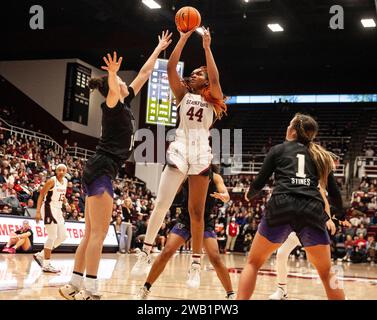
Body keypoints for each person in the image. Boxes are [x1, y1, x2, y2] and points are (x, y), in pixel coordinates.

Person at [59, 30, 172, 300]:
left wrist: (158, 50)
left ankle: (74, 285)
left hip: (98, 168)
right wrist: (111, 74)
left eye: (121, 81)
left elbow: (143, 74)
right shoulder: (112, 105)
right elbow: (112, 88)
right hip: (101, 169)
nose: (124, 82)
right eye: (121, 81)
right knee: (98, 233)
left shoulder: (125, 103)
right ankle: (91, 289)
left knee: (89, 234)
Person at [131, 27, 227, 290]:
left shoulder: (214, 99)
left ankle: (195, 264)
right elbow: (171, 67)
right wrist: (184, 38)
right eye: (193, 72)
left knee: (196, 211)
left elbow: (216, 78)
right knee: (162, 203)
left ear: (206, 82)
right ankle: (146, 251)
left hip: (201, 151)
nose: (192, 75)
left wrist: (207, 48)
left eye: (198, 74)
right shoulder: (183, 95)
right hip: (181, 146)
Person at [237, 113, 345, 300]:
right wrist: (339, 216)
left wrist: (249, 194)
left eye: (289, 125)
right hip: (311, 208)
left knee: (253, 263)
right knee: (327, 272)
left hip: (282, 205)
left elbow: (259, 183)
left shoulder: (278, 150)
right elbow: (334, 193)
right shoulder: (320, 156)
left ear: (293, 131)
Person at [137, 166, 235, 298]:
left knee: (215, 258)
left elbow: (226, 194)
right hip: (185, 219)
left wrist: (225, 196)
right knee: (167, 252)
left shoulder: (215, 176)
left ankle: (230, 294)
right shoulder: (186, 174)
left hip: (205, 221)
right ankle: (145, 288)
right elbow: (173, 192)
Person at [268, 185, 341, 300]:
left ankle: (338, 295)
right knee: (281, 254)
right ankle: (282, 289)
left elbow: (324, 201)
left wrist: (328, 218)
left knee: (323, 266)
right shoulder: (292, 184)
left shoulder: (313, 184)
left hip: (310, 228)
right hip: (295, 229)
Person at [33, 164, 68, 273]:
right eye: (59, 170)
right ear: (56, 171)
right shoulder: (51, 181)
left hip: (58, 210)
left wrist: (66, 203)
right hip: (48, 208)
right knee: (52, 236)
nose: (61, 172)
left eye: (63, 170)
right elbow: (41, 195)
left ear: (66, 172)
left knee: (63, 236)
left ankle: (41, 255)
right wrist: (38, 212)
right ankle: (46, 264)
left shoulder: (65, 181)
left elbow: (62, 194)